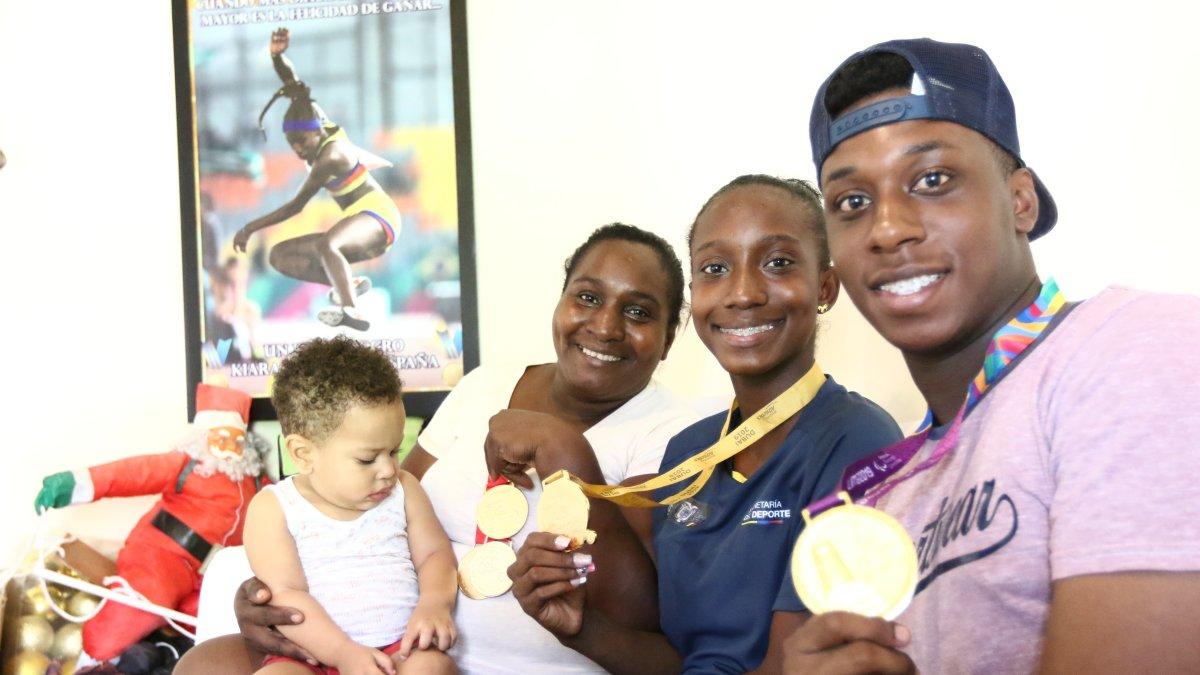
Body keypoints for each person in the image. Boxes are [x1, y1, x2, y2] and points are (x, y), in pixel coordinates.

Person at [780, 38, 1200, 673]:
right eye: (852, 202)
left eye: (932, 180)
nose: (888, 228)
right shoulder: (881, 497)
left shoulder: (1132, 351)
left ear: (1020, 201)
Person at [176, 223, 699, 674]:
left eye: (638, 312)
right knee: (204, 664)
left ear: (669, 338)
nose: (605, 326)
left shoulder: (676, 431)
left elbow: (646, 612)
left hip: (499, 663)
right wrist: (275, 600)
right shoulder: (485, 385)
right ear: (561, 302)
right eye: (587, 297)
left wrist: (562, 447)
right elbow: (377, 505)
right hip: (387, 645)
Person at [503, 175, 902, 672]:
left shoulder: (860, 441)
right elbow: (686, 661)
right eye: (716, 269)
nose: (743, 293)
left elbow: (795, 665)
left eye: (778, 262)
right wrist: (584, 631)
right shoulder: (688, 452)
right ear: (696, 298)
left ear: (825, 286)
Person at [243, 336, 457, 674]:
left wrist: (435, 603)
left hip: (400, 650)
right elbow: (286, 596)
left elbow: (435, 555)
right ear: (303, 454)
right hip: (311, 656)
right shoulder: (274, 508)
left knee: (433, 667)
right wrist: (343, 653)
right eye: (367, 459)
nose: (388, 470)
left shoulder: (405, 491)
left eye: (394, 451)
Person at [233, 27, 400, 332]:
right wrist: (277, 57)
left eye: (302, 142)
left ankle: (351, 309)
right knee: (280, 257)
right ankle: (348, 285)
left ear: (317, 132)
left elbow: (296, 206)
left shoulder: (330, 156)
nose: (298, 149)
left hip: (379, 217)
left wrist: (250, 228)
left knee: (328, 245)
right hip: (356, 222)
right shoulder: (315, 121)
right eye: (292, 143)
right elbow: (295, 86)